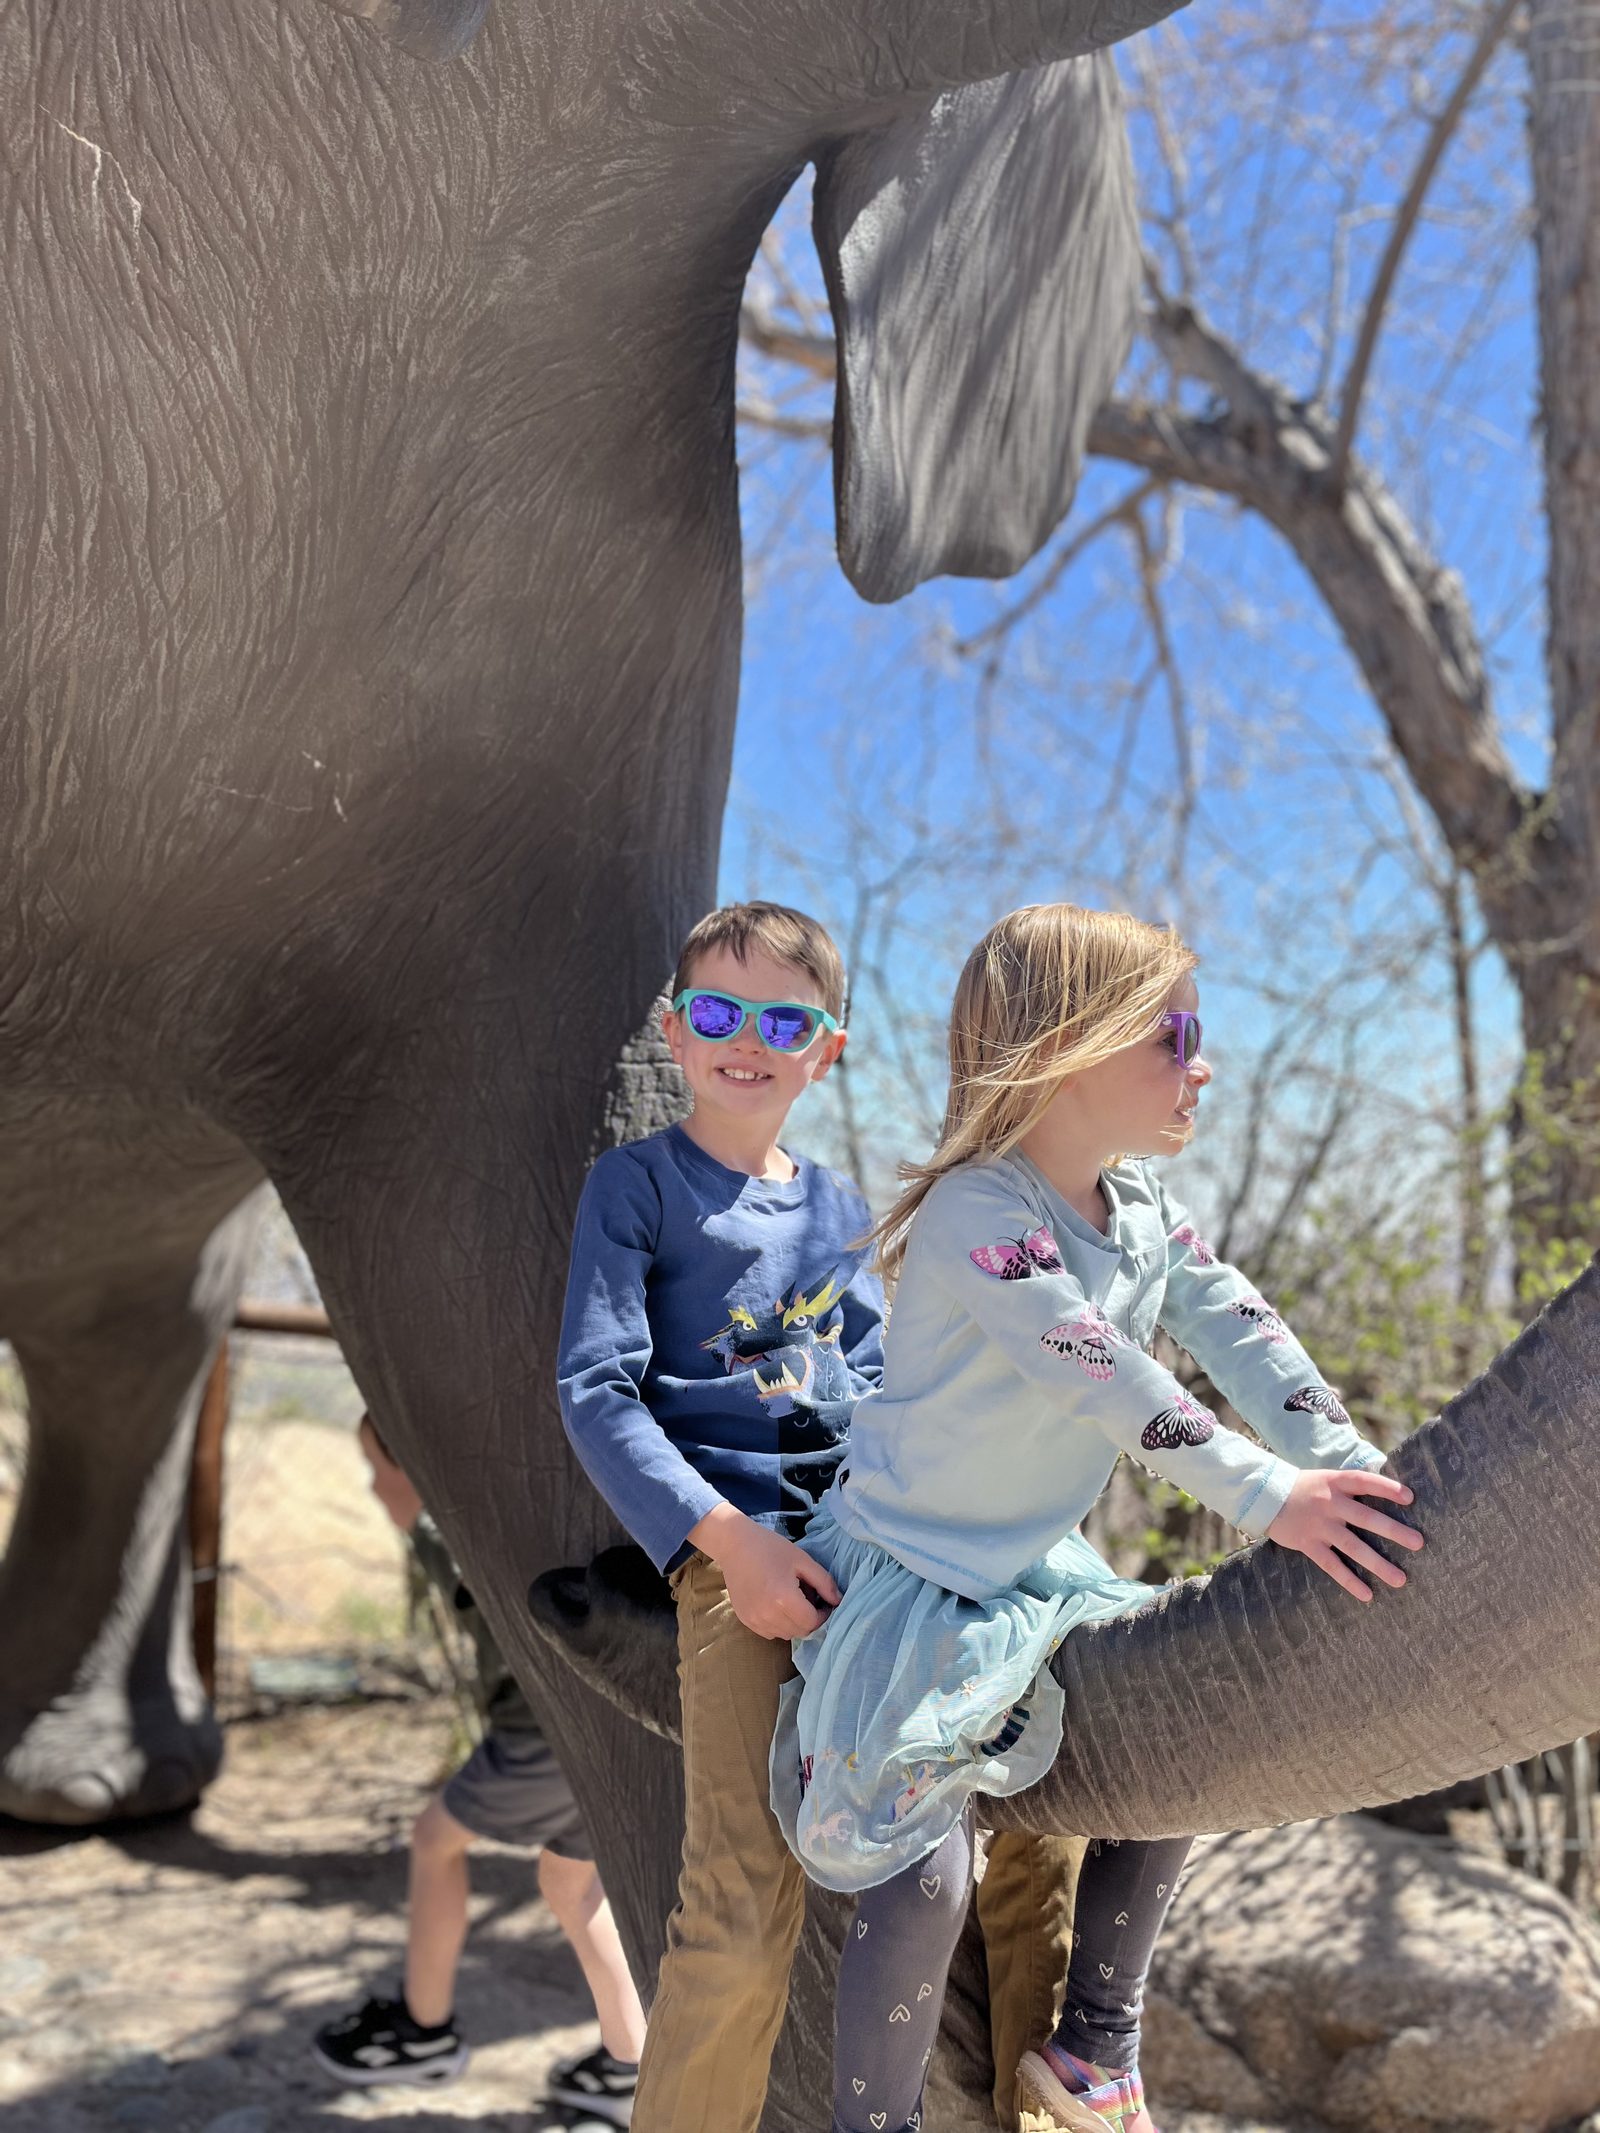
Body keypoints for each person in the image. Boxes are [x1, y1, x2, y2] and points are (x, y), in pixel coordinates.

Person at [769, 903, 1425, 2133]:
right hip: (914, 1574)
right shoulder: (981, 1212)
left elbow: (1243, 1330)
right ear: (1070, 1046)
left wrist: (1344, 1464)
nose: (1203, 1064)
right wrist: (1272, 1498)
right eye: (1175, 1035)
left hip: (1031, 1568)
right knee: (924, 1880)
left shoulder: (1144, 1208)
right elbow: (1105, 1379)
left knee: (1173, 1737)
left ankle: (1095, 2045)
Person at [556, 899, 1086, 2133]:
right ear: (676, 1034)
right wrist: (727, 1546)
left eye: (782, 1019)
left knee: (1040, 1830)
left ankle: (1040, 2109)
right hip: (729, 1555)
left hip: (873, 1542)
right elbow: (594, 1391)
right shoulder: (635, 1191)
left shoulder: (839, 1206)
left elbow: (879, 1391)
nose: (749, 1040)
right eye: (719, 1012)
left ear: (826, 1047)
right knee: (742, 1909)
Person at [312, 1415, 645, 2127]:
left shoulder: (452, 1534)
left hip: (542, 1736)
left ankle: (422, 2030)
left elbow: (485, 1607)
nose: (373, 1487)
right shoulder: (502, 1512)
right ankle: (633, 2065)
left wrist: (417, 1515)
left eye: (378, 1470)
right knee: (570, 1881)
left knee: (436, 1839)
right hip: (593, 1730)